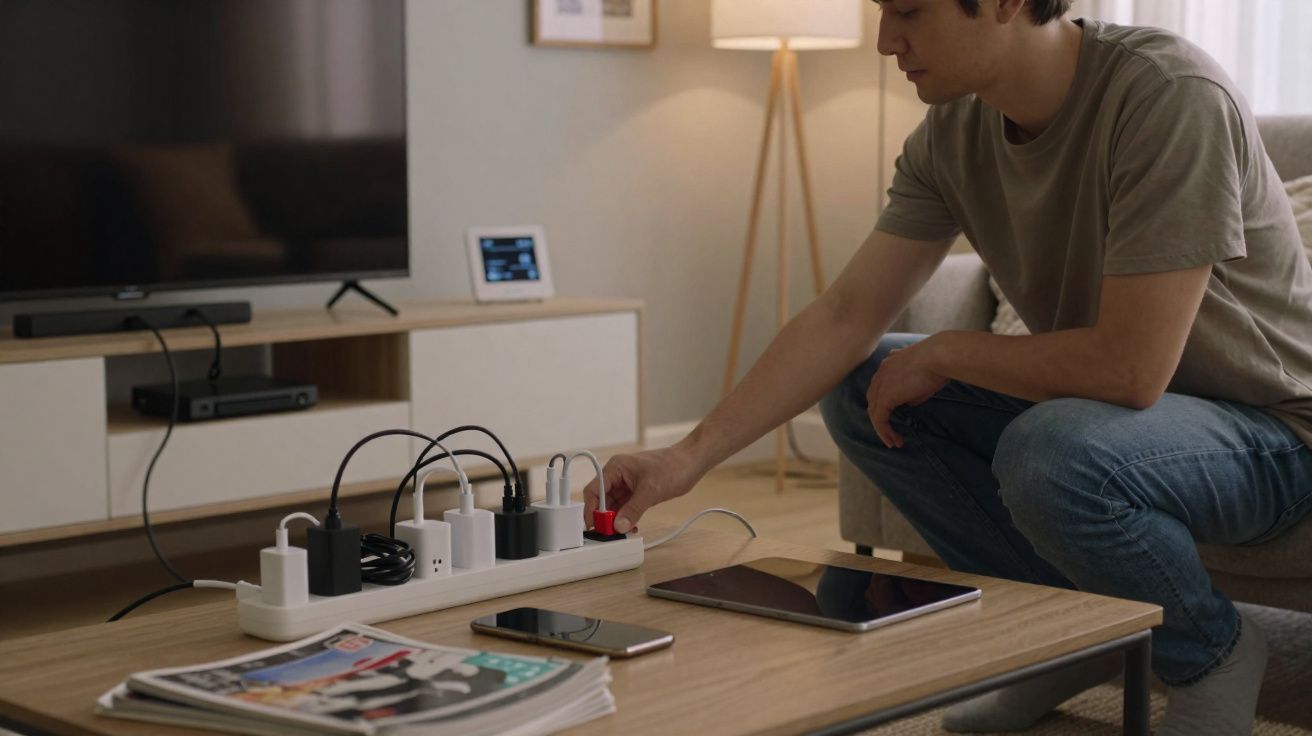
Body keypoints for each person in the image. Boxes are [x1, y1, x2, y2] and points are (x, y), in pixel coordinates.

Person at [582, 0, 1312, 733]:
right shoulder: (953, 133)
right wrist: (686, 457)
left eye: (908, 11)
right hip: (1123, 426)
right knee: (866, 384)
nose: (884, 42)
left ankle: (1210, 654)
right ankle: (1064, 634)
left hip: (1274, 432)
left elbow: (1130, 369)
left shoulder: (1168, 96)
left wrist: (949, 351)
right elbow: (846, 316)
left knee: (1050, 450)